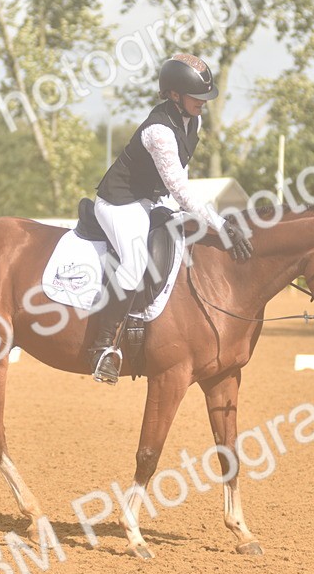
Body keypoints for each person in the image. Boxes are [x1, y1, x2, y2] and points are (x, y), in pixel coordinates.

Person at [88, 53, 254, 384]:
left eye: (206, 98)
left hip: (154, 201)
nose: (203, 104)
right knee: (135, 263)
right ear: (175, 95)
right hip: (120, 203)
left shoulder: (193, 120)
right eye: (198, 97)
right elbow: (181, 189)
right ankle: (103, 347)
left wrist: (187, 218)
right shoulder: (158, 132)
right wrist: (221, 225)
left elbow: (180, 176)